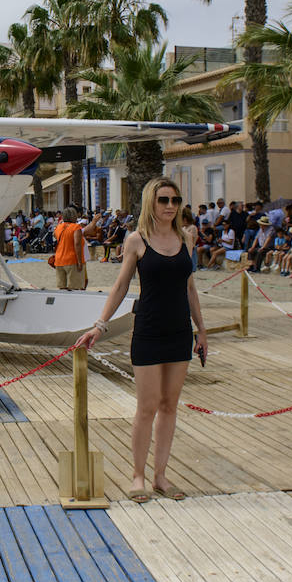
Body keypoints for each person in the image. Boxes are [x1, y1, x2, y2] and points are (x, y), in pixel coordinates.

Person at [74, 178, 204, 503]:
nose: (170, 206)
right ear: (151, 202)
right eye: (163, 200)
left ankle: (160, 476)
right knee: (146, 407)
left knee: (170, 406)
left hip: (179, 331)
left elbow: (189, 288)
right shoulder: (137, 240)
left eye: (175, 199)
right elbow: (119, 287)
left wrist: (202, 330)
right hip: (147, 329)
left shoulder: (186, 237)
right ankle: (138, 475)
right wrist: (99, 326)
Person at [51, 208, 86, 291]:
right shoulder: (76, 227)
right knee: (75, 288)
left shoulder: (58, 227)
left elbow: (55, 236)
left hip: (59, 260)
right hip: (72, 260)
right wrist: (80, 262)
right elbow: (77, 244)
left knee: (62, 288)